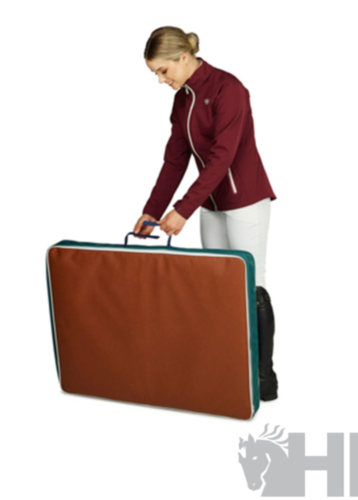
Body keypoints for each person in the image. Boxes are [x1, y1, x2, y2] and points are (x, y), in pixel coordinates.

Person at [133, 26, 278, 401]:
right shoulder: (182, 99)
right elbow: (174, 160)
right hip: (210, 204)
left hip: (245, 200)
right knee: (216, 287)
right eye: (156, 74)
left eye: (163, 71)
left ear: (183, 57)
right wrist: (151, 212)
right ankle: (228, 366)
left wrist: (182, 209)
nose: (161, 80)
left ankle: (263, 378)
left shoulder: (229, 89)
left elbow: (221, 158)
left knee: (251, 286)